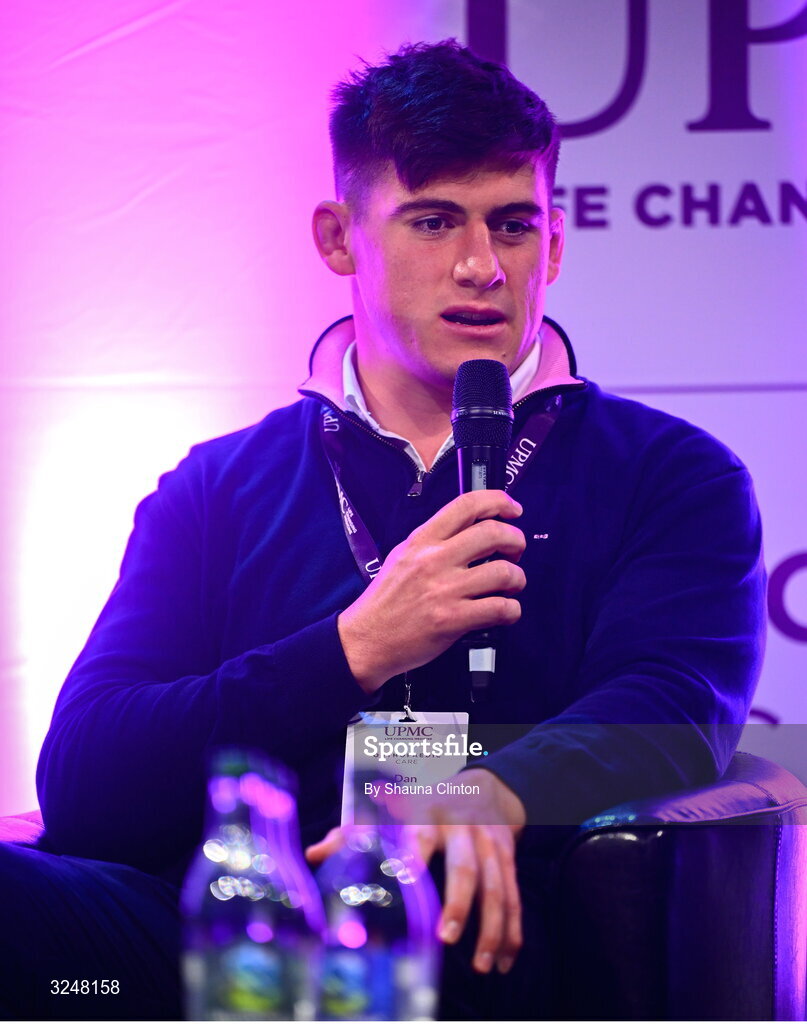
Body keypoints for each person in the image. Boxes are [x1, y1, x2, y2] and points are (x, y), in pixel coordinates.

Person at [2, 40, 764, 1021]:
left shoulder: (671, 474)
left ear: (557, 247)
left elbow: (672, 701)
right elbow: (88, 778)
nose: (483, 266)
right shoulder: (217, 485)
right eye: (435, 220)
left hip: (472, 937)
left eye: (515, 224)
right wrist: (352, 648)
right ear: (337, 236)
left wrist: (497, 788)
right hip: (208, 964)